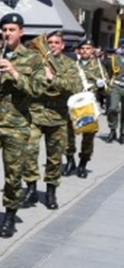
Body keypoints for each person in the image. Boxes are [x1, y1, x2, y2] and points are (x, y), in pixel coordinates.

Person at [0, 14, 45, 240]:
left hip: (17, 124)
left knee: (13, 174)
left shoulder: (33, 59)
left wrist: (14, 73)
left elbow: (37, 89)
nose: (7, 33)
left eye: (12, 29)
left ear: (21, 32)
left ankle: (10, 215)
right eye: (4, 29)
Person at [21, 30, 79, 210]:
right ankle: (30, 187)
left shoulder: (69, 64)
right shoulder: (36, 63)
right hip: (35, 114)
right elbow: (27, 85)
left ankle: (51, 191)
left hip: (58, 117)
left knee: (54, 158)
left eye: (56, 43)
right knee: (29, 151)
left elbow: (74, 86)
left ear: (62, 46)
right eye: (49, 43)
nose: (52, 45)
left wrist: (52, 78)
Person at [66, 38, 104, 178]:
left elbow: (107, 91)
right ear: (78, 50)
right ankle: (70, 160)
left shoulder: (98, 66)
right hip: (74, 105)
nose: (85, 51)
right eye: (82, 49)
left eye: (88, 48)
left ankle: (83, 164)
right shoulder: (72, 66)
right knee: (68, 135)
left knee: (88, 136)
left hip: (89, 106)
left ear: (92, 50)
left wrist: (102, 86)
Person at [107, 44, 124, 144]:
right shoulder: (114, 59)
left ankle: (122, 133)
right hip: (116, 86)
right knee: (112, 108)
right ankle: (112, 129)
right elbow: (109, 74)